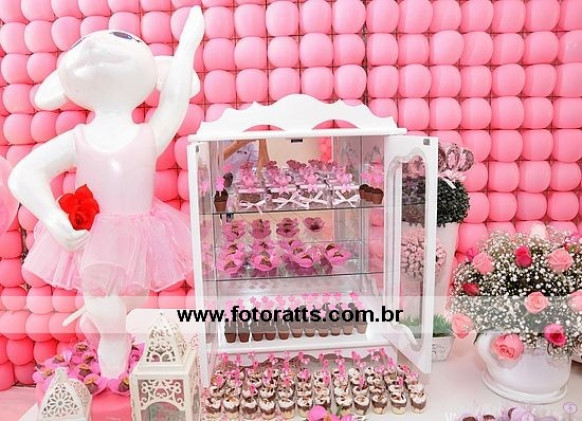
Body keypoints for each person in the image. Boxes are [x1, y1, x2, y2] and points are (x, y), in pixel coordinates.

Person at [8, 8, 204, 378]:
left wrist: (188, 45)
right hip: (95, 235)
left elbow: (174, 102)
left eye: (124, 40)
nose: (97, 48)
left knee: (132, 298)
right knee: (104, 300)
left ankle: (99, 325)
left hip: (140, 233)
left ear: (155, 73)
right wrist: (53, 217)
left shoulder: (148, 136)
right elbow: (25, 174)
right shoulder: (79, 139)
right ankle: (113, 353)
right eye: (84, 45)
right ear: (63, 85)